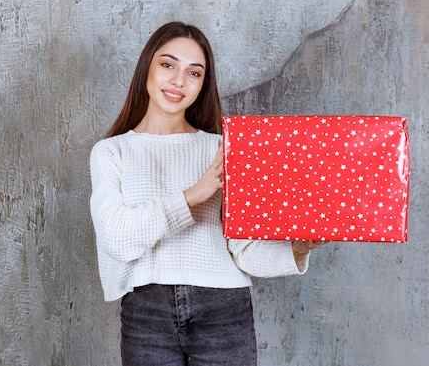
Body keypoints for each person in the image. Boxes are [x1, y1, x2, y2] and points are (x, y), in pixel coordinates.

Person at [89, 22, 325, 366]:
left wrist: (298, 247)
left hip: (224, 310)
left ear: (203, 84)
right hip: (147, 314)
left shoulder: (223, 150)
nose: (178, 81)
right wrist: (191, 196)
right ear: (147, 68)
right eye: (168, 65)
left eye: (194, 73)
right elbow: (118, 239)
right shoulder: (111, 152)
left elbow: (242, 252)